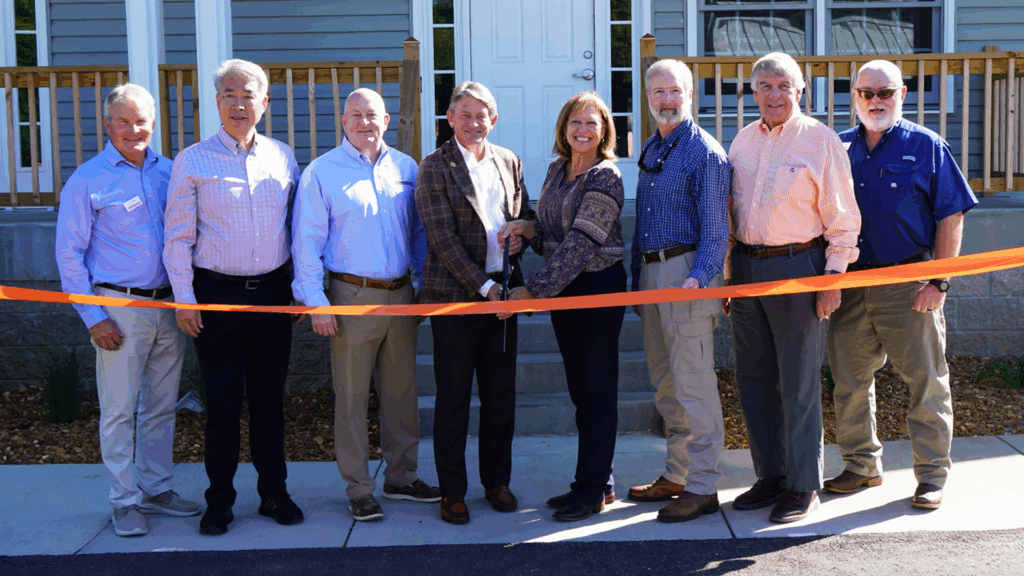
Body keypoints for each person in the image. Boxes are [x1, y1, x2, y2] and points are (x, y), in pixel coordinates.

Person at [825, 60, 977, 510]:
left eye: (885, 92)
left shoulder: (926, 146)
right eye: (866, 93)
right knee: (849, 383)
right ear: (854, 96)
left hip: (908, 284)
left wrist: (939, 281)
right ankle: (860, 466)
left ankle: (931, 476)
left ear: (903, 94)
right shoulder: (837, 147)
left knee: (926, 383)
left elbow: (951, 215)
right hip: (851, 284)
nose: (876, 101)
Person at [163, 59, 303, 535]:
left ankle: (274, 494)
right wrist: (185, 299)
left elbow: (297, 230)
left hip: (273, 296)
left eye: (248, 96)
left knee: (269, 403)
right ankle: (219, 501)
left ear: (265, 103)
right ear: (217, 101)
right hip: (216, 299)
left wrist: (300, 291)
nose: (238, 105)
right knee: (223, 407)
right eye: (229, 95)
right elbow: (177, 237)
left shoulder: (283, 157)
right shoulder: (192, 160)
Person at [55, 83, 202, 537]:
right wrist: (94, 318)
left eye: (141, 121)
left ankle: (156, 489)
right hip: (119, 309)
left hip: (169, 305)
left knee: (161, 405)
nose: (133, 129)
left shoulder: (171, 172)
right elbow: (69, 256)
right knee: (119, 410)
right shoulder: (87, 180)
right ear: (107, 124)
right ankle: (124, 501)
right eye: (123, 121)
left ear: (153, 123)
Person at [291, 88, 441, 522]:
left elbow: (418, 233)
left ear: (386, 120)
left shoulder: (406, 168)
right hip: (350, 297)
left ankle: (402, 477)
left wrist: (422, 285)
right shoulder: (322, 172)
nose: (364, 123)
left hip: (402, 294)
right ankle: (358, 487)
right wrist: (316, 302)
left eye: (372, 114)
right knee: (352, 397)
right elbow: (306, 241)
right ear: (343, 121)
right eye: (355, 115)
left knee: (402, 394)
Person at [726, 52, 861, 523]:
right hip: (746, 268)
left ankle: (804, 485)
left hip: (798, 266)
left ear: (800, 91)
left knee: (798, 381)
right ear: (753, 92)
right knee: (753, 378)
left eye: (784, 85)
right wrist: (728, 276)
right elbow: (730, 214)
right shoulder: (742, 141)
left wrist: (832, 279)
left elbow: (842, 218)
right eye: (765, 86)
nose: (774, 94)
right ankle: (772, 476)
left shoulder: (821, 141)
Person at [498, 92, 626, 522]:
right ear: (563, 127)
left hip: (597, 287)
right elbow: (552, 234)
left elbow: (581, 243)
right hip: (565, 288)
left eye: (591, 123)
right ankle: (600, 482)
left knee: (597, 391)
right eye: (575, 122)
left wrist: (533, 291)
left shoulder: (606, 176)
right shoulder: (557, 169)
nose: (582, 130)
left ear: (604, 131)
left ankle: (589, 492)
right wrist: (526, 227)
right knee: (580, 390)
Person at [415, 81, 535, 525]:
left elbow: (527, 217)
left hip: (504, 295)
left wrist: (521, 235)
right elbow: (442, 239)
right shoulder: (434, 166)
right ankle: (452, 490)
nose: (473, 123)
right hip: (456, 300)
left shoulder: (508, 161)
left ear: (493, 119)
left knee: (500, 396)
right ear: (450, 119)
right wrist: (486, 289)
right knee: (453, 399)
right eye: (464, 114)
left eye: (481, 115)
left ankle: (497, 481)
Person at [625, 59, 731, 523]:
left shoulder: (705, 152)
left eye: (675, 92)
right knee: (666, 383)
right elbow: (642, 222)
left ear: (690, 95)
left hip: (687, 273)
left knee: (694, 384)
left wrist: (700, 278)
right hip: (652, 276)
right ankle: (677, 473)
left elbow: (717, 228)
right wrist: (637, 276)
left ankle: (703, 486)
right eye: (658, 93)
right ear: (648, 97)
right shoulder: (652, 147)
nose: (666, 100)